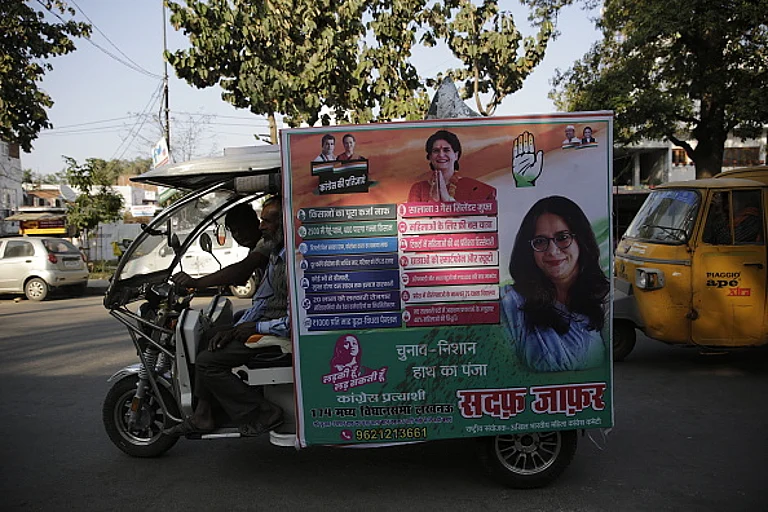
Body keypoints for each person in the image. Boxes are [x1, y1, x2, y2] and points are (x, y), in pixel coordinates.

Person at [166, 196, 288, 437]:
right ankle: (204, 411)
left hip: (277, 328)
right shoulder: (275, 249)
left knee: (207, 361)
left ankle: (262, 412)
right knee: (210, 335)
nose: (262, 227)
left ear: (285, 223)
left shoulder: (285, 256)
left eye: (267, 221)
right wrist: (238, 327)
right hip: (268, 319)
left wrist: (251, 327)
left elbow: (244, 272)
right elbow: (260, 295)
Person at [501, 196, 609, 372]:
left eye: (562, 237)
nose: (552, 251)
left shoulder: (604, 297)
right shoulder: (510, 303)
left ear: (581, 240)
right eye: (540, 241)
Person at [171, 203, 268, 304]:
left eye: (243, 228)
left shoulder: (266, 243)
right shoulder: (254, 248)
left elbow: (242, 270)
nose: (238, 235)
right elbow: (241, 278)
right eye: (234, 231)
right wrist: (224, 280)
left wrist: (197, 283)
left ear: (256, 223)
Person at [407, 129, 496, 203]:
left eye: (446, 150)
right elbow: (414, 221)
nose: (441, 155)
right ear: (430, 157)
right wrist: (433, 199)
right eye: (436, 151)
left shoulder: (473, 187)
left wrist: (448, 199)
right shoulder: (419, 189)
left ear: (456, 155)